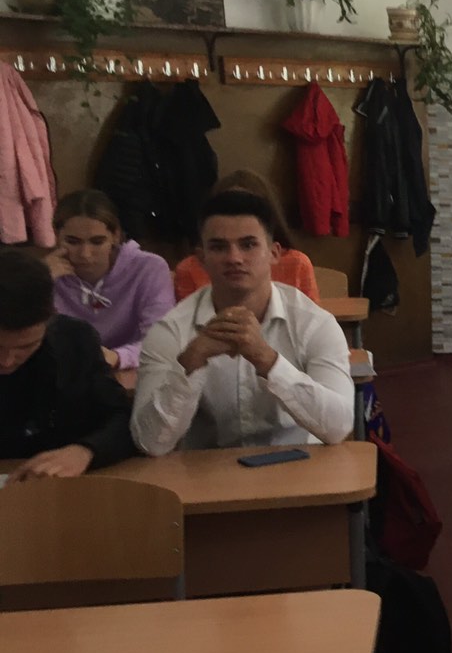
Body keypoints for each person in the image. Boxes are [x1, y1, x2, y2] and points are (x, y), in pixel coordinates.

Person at [131, 191, 354, 455]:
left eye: (248, 245)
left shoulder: (314, 323)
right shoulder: (171, 330)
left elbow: (338, 427)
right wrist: (190, 362)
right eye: (219, 247)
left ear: (274, 253)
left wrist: (268, 361)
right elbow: (150, 443)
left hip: (297, 466)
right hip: (208, 473)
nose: (234, 258)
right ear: (201, 258)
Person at [0, 246, 136, 478]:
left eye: (25, 347)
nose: (6, 361)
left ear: (50, 319)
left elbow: (122, 419)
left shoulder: (75, 341)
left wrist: (86, 451)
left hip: (58, 485)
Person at [47, 189, 175, 370]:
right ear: (56, 236)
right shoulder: (43, 273)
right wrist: (38, 283)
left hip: (131, 370)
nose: (85, 254)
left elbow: (161, 343)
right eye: (73, 242)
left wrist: (117, 357)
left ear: (115, 236)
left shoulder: (148, 268)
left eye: (97, 242)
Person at [173, 170, 320, 302]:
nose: (234, 258)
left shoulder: (297, 263)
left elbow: (309, 318)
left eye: (248, 245)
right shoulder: (189, 269)